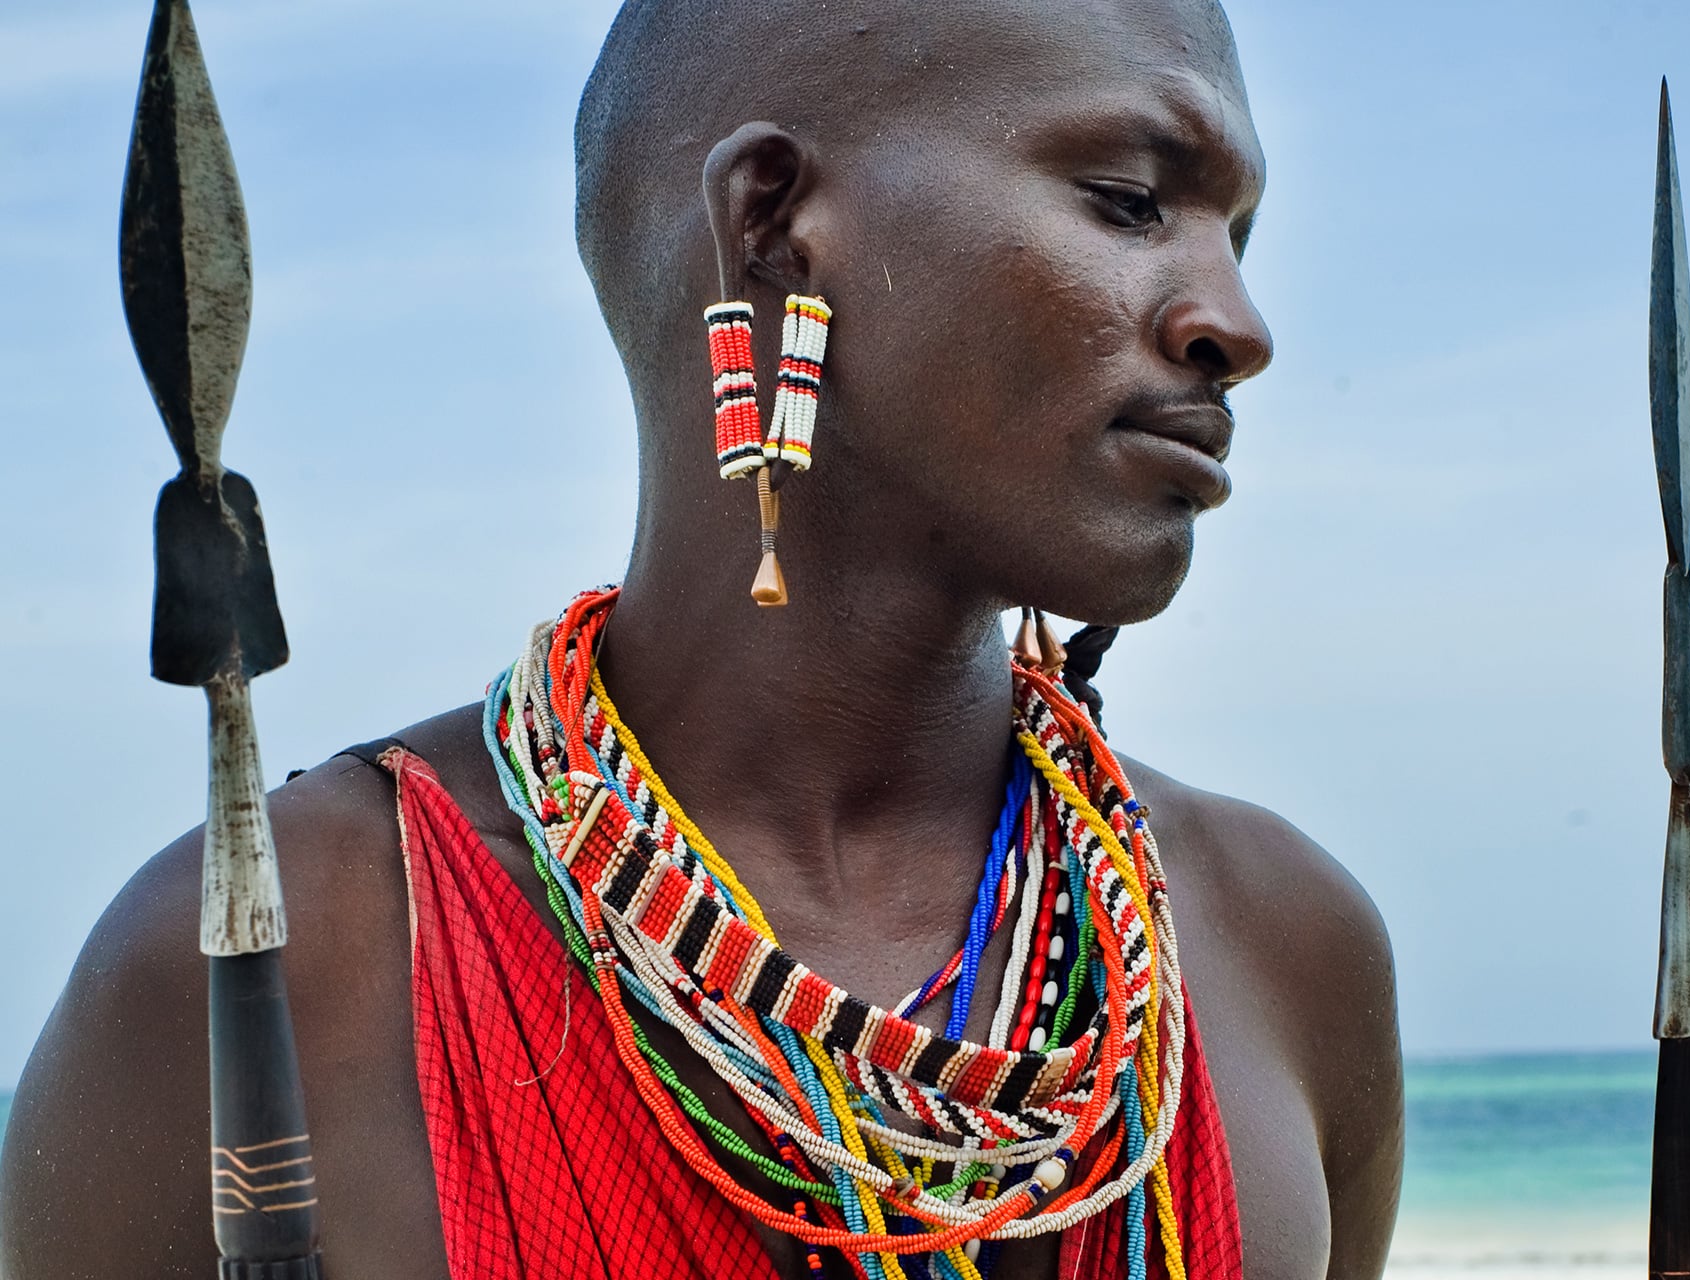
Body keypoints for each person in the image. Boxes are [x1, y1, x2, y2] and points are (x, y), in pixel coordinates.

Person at [0, 0, 1402, 1276]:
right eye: (1132, 202)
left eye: (1241, 235)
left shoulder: (1281, 946)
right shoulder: (284, 959)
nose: (1237, 322)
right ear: (773, 218)